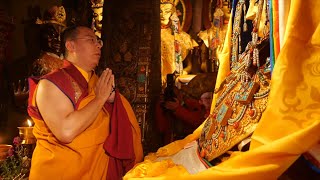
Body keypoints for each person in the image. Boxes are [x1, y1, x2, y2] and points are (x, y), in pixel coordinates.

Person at [27, 26, 143, 179]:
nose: (98, 45)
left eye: (98, 41)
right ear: (70, 45)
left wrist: (113, 101)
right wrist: (100, 99)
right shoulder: (51, 83)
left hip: (98, 171)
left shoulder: (97, 83)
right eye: (91, 40)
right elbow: (65, 132)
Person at [160, 0, 198, 86]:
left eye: (167, 11)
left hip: (177, 80)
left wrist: (184, 71)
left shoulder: (183, 38)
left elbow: (189, 66)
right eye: (160, 11)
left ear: (173, 12)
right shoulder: (150, 37)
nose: (163, 15)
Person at [32, 5, 67, 77]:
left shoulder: (69, 61)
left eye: (62, 35)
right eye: (52, 34)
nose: (59, 39)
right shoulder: (40, 64)